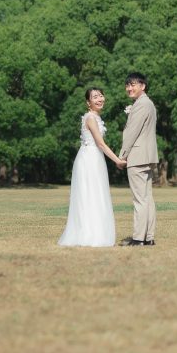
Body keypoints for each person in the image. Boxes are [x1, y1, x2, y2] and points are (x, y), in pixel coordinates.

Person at [58, 88, 126, 247]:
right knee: (88, 195)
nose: (100, 99)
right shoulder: (90, 118)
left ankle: (97, 232)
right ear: (88, 103)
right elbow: (100, 143)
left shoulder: (96, 117)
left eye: (101, 95)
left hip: (96, 159)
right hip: (89, 159)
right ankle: (88, 235)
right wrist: (117, 160)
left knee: (97, 194)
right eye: (95, 97)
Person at [119, 72, 159, 246]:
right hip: (147, 156)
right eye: (127, 85)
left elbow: (131, 132)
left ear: (143, 86)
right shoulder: (148, 103)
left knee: (140, 199)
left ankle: (138, 238)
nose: (129, 88)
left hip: (138, 156)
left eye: (133, 84)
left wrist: (122, 155)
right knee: (147, 198)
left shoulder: (141, 104)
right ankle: (148, 238)